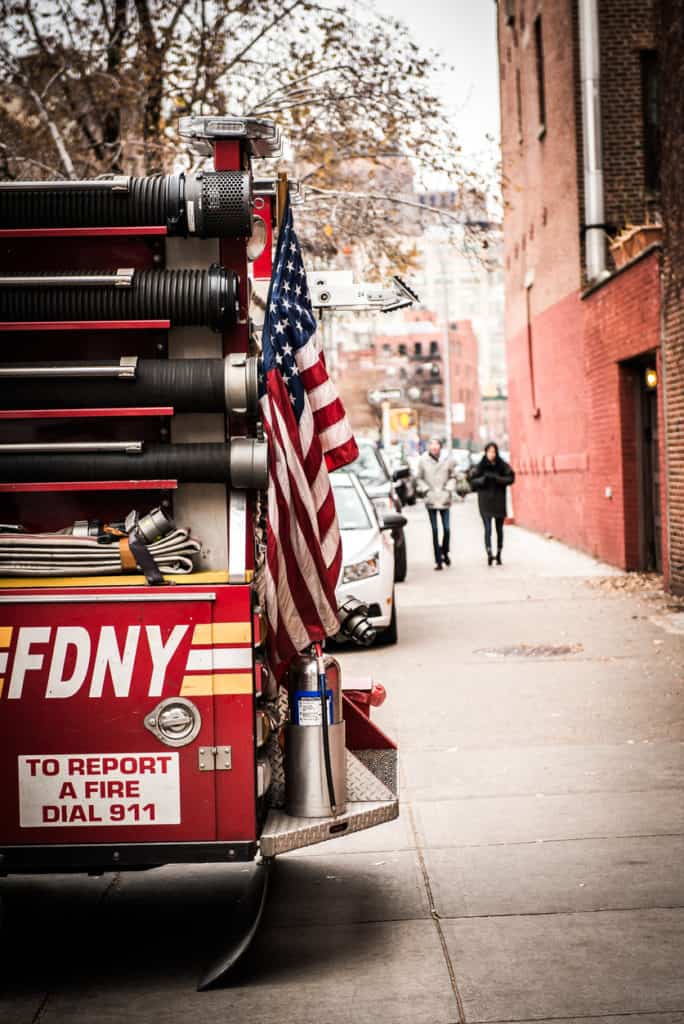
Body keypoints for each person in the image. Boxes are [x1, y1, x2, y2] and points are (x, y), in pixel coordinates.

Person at [469, 442, 515, 565]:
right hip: (485, 502)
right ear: (485, 452)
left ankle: (499, 553)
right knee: (488, 529)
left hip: (499, 501)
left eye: (493, 452)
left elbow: (511, 478)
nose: (491, 454)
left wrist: (497, 479)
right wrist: (483, 479)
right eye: (489, 451)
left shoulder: (502, 465)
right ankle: (489, 553)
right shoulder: (480, 466)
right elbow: (472, 481)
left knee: (499, 529)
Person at [416, 437, 455, 571]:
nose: (434, 448)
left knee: (447, 529)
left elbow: (453, 476)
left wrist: (449, 489)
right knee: (435, 530)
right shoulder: (423, 460)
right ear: (428, 448)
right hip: (431, 498)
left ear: (440, 447)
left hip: (444, 498)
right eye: (431, 445)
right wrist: (426, 490)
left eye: (436, 445)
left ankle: (445, 551)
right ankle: (438, 559)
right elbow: (419, 478)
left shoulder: (447, 460)